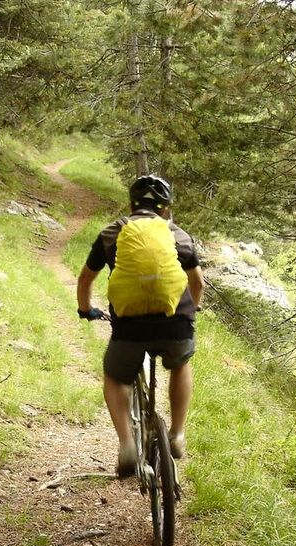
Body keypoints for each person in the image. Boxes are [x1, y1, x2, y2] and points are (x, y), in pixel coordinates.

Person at [76, 175, 204, 477]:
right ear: (166, 208)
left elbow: (85, 279)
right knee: (181, 363)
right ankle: (177, 433)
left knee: (115, 376)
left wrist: (86, 310)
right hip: (175, 322)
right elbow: (197, 282)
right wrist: (192, 310)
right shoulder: (179, 235)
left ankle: (126, 445)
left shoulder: (111, 233)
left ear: (131, 204)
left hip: (130, 326)